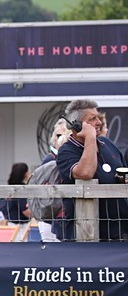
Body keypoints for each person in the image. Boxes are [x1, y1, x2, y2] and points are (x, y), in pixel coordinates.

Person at [55, 99, 128, 241]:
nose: (99, 122)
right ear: (76, 125)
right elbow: (86, 173)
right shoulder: (66, 151)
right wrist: (89, 137)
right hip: (88, 234)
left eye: (98, 118)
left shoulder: (107, 143)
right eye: (93, 119)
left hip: (120, 230)